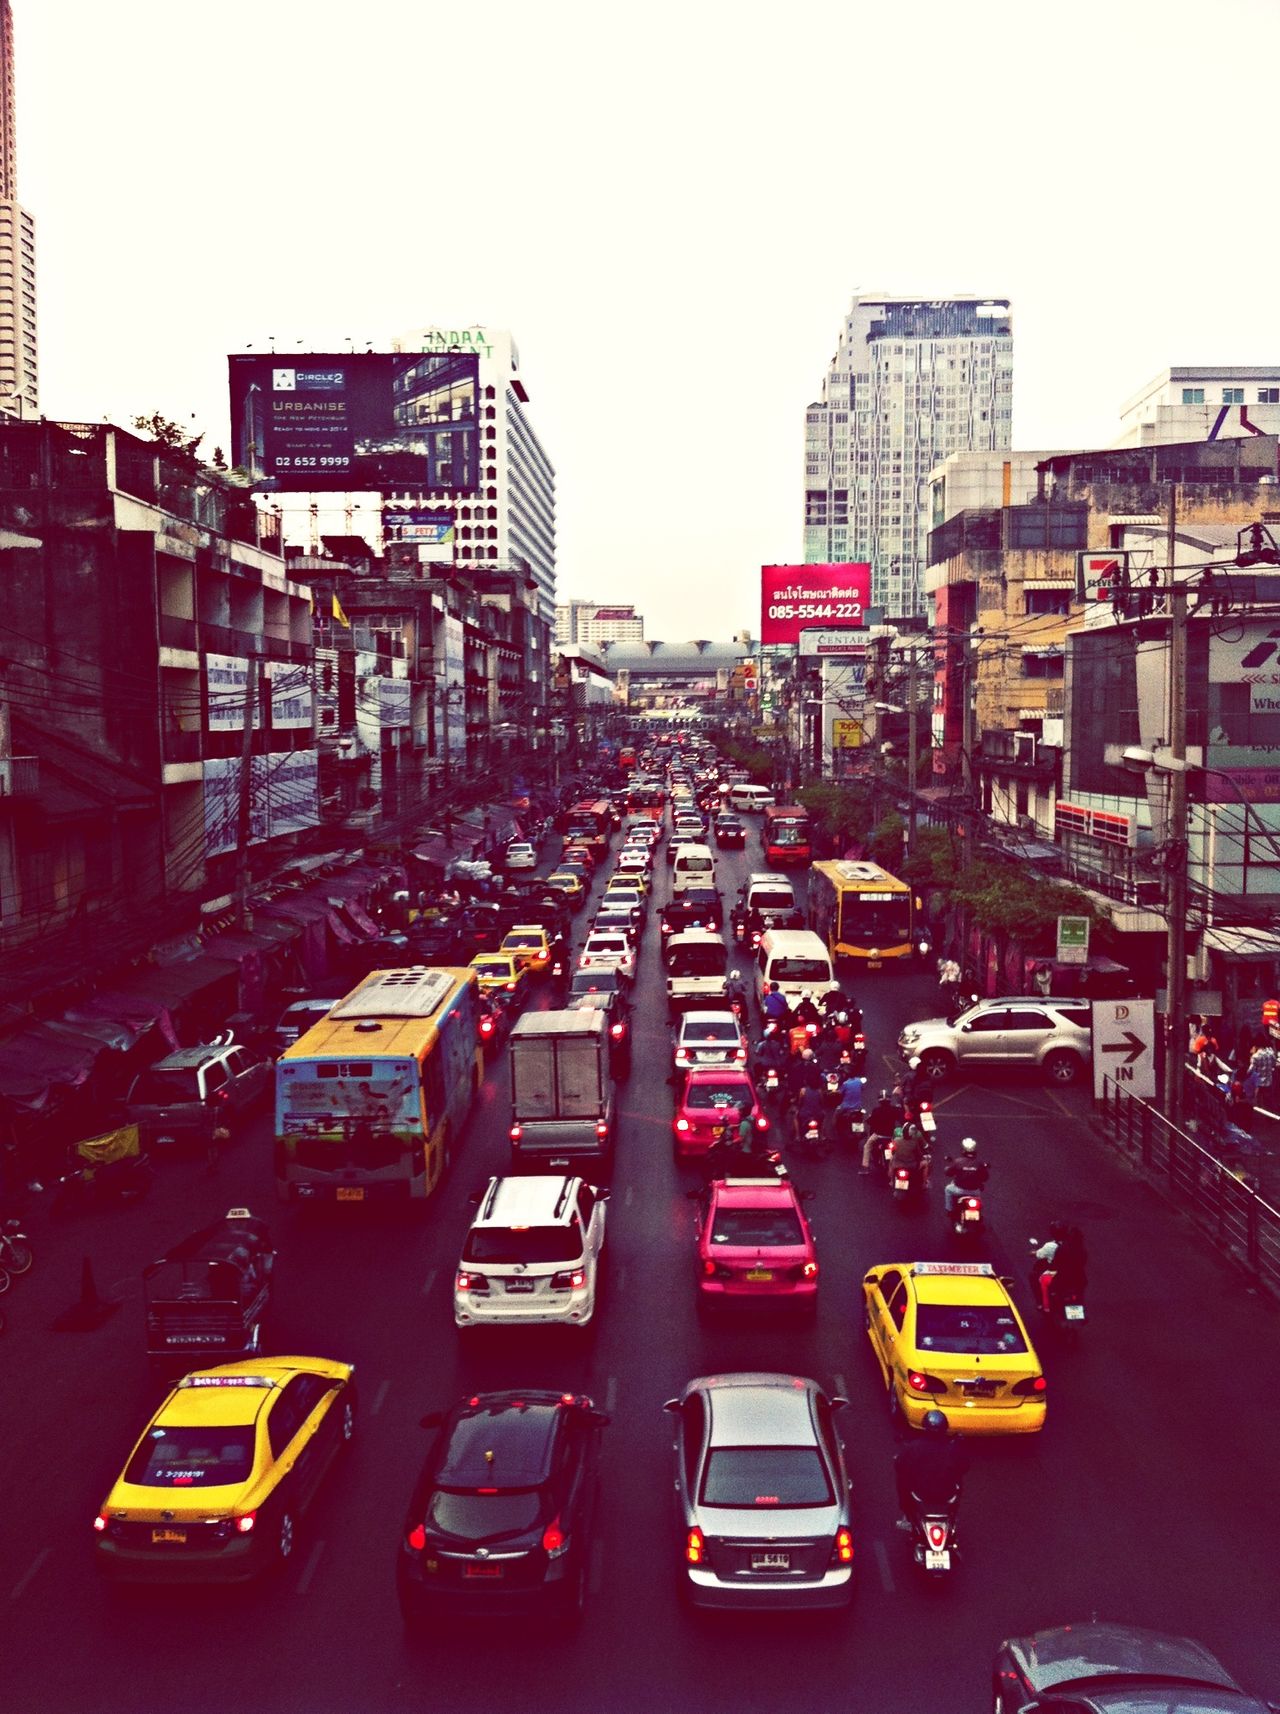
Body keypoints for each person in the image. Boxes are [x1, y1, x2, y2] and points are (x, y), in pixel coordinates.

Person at [894, 1410, 968, 1525]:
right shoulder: (953, 1449)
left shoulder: (913, 1448)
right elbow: (964, 1468)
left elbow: (899, 1466)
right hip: (947, 1494)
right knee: (959, 1479)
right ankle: (953, 1515)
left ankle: (907, 1515)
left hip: (920, 1493)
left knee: (902, 1479)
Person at [1032, 1222, 1087, 1313]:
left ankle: (1046, 1307)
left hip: (1062, 1278)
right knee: (1080, 1293)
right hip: (1079, 1278)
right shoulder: (1081, 1250)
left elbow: (1056, 1264)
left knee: (1043, 1280)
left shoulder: (1061, 1249)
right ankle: (1080, 1310)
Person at [942, 1137, 990, 1217]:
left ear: (963, 1150)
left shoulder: (958, 1162)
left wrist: (947, 1169)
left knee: (948, 1189)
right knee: (980, 1201)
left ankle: (949, 1209)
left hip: (959, 1190)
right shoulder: (979, 1164)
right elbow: (985, 1178)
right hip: (974, 1192)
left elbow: (948, 1173)